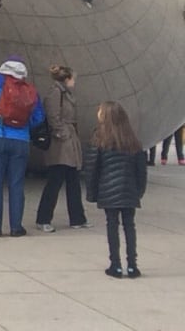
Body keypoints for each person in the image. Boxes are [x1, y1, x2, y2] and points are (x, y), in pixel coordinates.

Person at [0, 58, 46, 237]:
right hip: (21, 141)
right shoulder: (30, 90)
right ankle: (16, 227)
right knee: (16, 184)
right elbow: (39, 116)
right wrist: (24, 126)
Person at [83, 101, 147, 278]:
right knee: (129, 226)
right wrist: (139, 191)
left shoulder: (99, 139)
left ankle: (116, 265)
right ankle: (132, 265)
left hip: (108, 190)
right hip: (129, 191)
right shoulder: (133, 140)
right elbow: (141, 171)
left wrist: (92, 193)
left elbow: (91, 169)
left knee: (112, 225)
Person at [34, 66, 90, 232]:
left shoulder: (65, 93)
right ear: (66, 79)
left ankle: (77, 218)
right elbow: (52, 116)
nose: (74, 82)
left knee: (73, 180)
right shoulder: (55, 93)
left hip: (69, 139)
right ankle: (43, 218)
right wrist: (62, 132)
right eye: (72, 78)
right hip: (61, 142)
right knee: (55, 180)